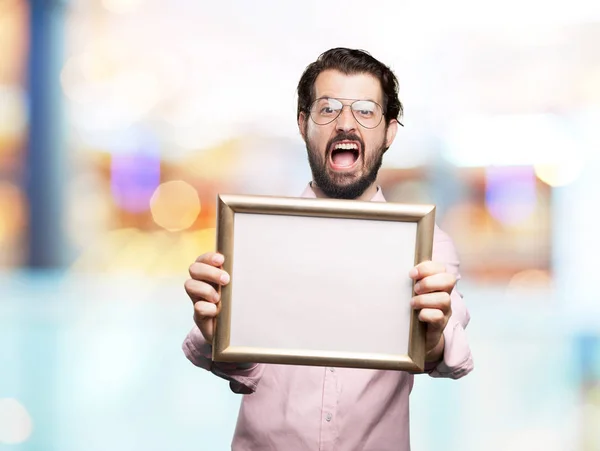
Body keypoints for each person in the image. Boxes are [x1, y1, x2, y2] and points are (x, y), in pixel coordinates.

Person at [182, 47, 473, 451]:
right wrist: (219, 334)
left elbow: (442, 353)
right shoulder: (258, 236)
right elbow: (243, 372)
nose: (346, 124)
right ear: (303, 124)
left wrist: (435, 332)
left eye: (366, 111)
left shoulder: (425, 244)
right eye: (328, 109)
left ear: (389, 131)